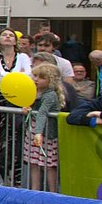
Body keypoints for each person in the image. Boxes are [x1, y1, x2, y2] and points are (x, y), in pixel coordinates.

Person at [24, 63, 64, 192]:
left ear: (50, 80)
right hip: (34, 130)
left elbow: (42, 113)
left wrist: (38, 133)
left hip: (45, 133)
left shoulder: (50, 95)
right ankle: (34, 190)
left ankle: (53, 191)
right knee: (34, 162)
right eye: (35, 76)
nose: (36, 79)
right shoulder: (33, 91)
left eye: (41, 77)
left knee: (48, 164)